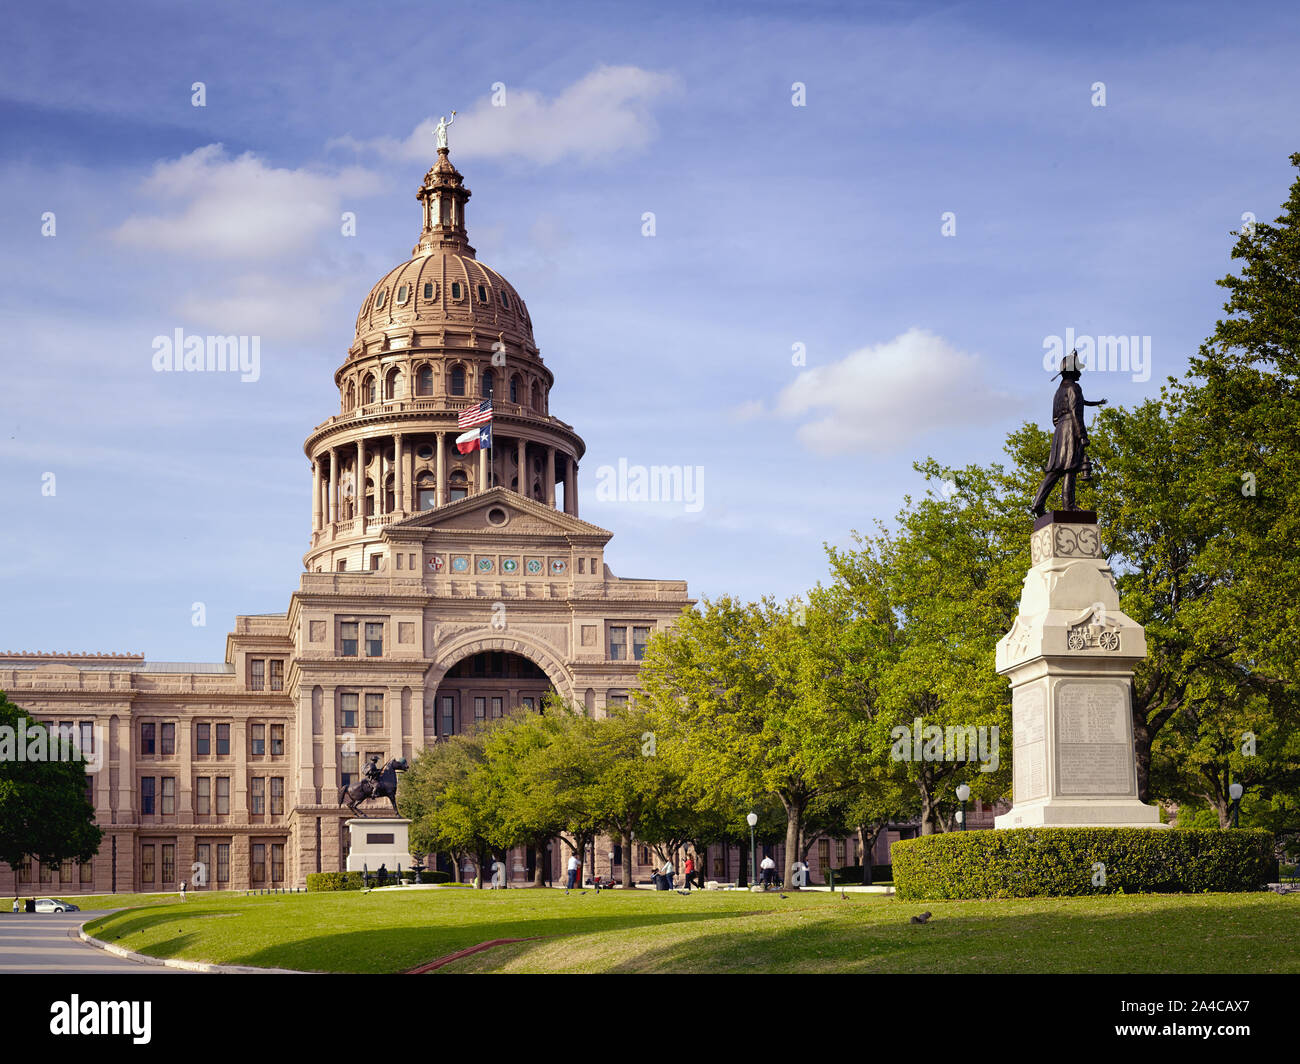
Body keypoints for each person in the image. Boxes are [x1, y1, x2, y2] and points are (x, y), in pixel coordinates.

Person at [1030, 351, 1107, 517]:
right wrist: (1082, 435)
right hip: (1071, 429)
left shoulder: (1058, 391)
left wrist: (1061, 431)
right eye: (1078, 369)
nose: (1080, 372)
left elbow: (1055, 418)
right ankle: (1069, 506)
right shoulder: (1074, 387)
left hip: (1059, 432)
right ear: (1072, 371)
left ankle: (1038, 503)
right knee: (1070, 468)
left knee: (1055, 470)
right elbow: (1075, 412)